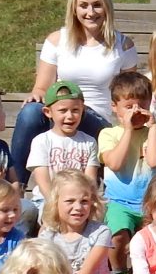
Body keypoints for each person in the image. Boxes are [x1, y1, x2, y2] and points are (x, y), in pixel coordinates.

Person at [9, 0, 141, 176]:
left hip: (97, 120)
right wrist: (36, 95)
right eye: (84, 6)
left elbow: (129, 94)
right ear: (74, 9)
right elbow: (42, 88)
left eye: (97, 5)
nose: (91, 12)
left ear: (106, 7)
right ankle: (15, 183)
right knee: (30, 113)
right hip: (61, 112)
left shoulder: (123, 46)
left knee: (78, 109)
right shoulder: (56, 40)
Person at [97, 70, 156, 274]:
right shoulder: (108, 134)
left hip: (150, 202)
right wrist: (127, 130)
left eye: (141, 105)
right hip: (118, 201)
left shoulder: (155, 133)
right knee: (118, 235)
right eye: (129, 107)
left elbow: (154, 161)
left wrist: (152, 127)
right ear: (114, 107)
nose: (136, 111)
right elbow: (115, 163)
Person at [39, 170, 115, 274]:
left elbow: (86, 271)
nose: (78, 207)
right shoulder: (49, 236)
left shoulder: (100, 232)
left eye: (84, 201)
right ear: (55, 202)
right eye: (70, 201)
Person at [25, 81, 101, 213]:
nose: (70, 116)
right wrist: (55, 204)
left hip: (79, 201)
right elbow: (43, 181)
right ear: (48, 112)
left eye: (75, 110)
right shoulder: (41, 141)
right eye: (63, 111)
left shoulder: (89, 142)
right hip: (47, 199)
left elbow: (90, 181)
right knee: (46, 217)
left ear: (83, 110)